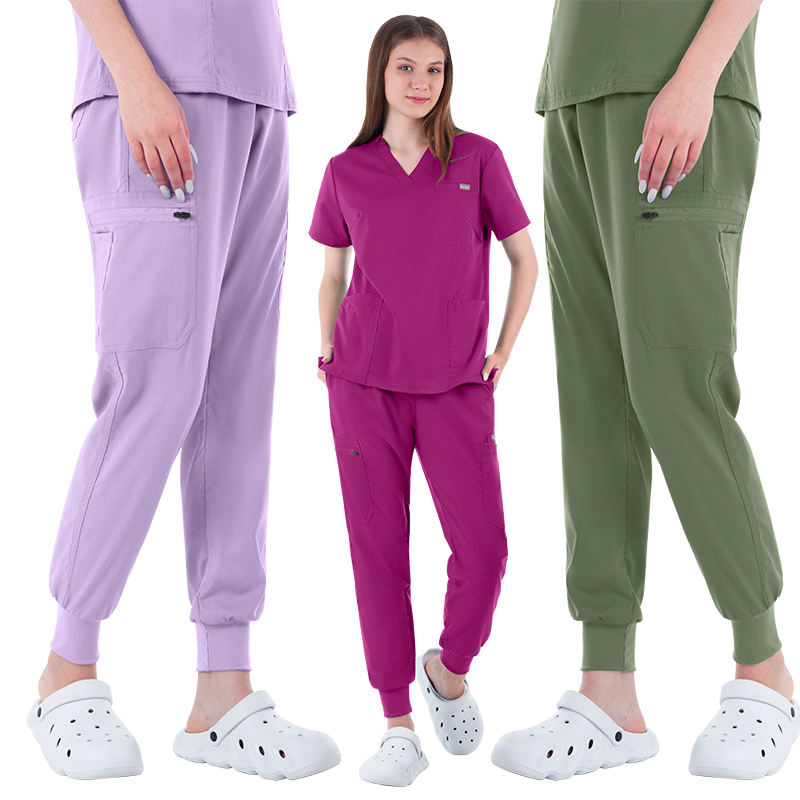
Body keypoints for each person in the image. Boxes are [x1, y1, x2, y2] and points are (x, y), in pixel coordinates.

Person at [26, 0, 340, 781]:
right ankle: (67, 667)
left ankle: (221, 693)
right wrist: (134, 76)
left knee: (238, 399)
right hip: (154, 85)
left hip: (258, 92)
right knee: (154, 386)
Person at [491, 0, 798, 782]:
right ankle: (609, 693)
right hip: (573, 90)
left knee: (676, 386)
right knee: (594, 397)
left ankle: (765, 669)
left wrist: (697, 77)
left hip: (677, 84)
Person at [309, 15, 538, 787]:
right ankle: (397, 724)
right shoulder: (346, 170)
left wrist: (504, 348)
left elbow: (525, 259)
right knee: (378, 554)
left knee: (486, 552)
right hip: (363, 384)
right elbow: (332, 273)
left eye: (435, 69)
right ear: (380, 74)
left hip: (457, 385)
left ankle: (449, 667)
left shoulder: (477, 158)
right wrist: (326, 346)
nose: (421, 82)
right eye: (406, 67)